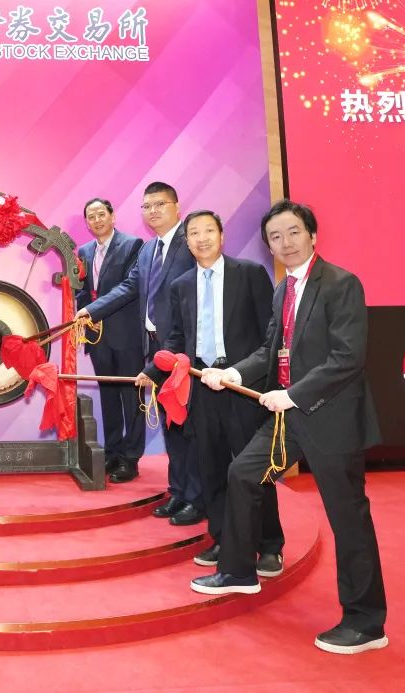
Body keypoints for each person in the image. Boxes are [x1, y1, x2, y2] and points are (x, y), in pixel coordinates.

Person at [194, 200, 388, 655]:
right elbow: (270, 351)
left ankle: (366, 623)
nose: (285, 242)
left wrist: (295, 393)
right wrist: (234, 373)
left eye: (293, 232)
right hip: (288, 418)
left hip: (332, 419)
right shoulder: (284, 289)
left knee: (348, 520)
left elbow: (347, 358)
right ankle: (239, 570)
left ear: (312, 235)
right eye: (275, 237)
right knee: (243, 472)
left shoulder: (341, 284)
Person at [139, 210, 283, 569]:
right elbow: (177, 338)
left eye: (208, 231)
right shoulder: (181, 285)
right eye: (194, 233)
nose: (201, 238)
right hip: (202, 387)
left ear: (222, 235)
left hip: (243, 387)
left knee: (254, 468)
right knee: (212, 469)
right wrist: (152, 370)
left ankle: (269, 544)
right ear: (187, 241)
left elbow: (270, 334)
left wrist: (254, 378)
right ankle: (222, 538)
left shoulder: (249, 273)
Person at [76, 182, 203, 525]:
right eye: (147, 206)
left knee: (187, 424)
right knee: (171, 422)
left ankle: (195, 497)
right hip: (155, 346)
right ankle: (179, 492)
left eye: (160, 204)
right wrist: (89, 311)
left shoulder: (188, 242)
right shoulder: (148, 250)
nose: (153, 211)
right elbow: (131, 286)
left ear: (177, 206)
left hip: (183, 348)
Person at [74, 198, 146, 482]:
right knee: (108, 398)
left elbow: (130, 286)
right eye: (91, 217)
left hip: (126, 335)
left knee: (132, 400)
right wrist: (82, 312)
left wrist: (92, 310)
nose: (97, 220)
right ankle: (113, 452)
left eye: (101, 214)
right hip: (97, 337)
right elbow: (82, 291)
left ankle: (131, 458)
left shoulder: (132, 245)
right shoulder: (84, 251)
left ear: (112, 216)